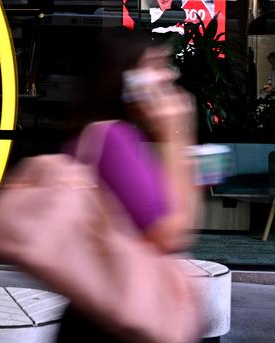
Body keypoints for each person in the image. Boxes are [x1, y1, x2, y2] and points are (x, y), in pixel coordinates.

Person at [58, 29, 200, 342]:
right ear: (126, 79)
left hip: (103, 308)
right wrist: (177, 134)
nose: (169, 74)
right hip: (112, 319)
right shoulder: (112, 139)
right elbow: (172, 232)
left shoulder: (111, 135)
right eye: (155, 65)